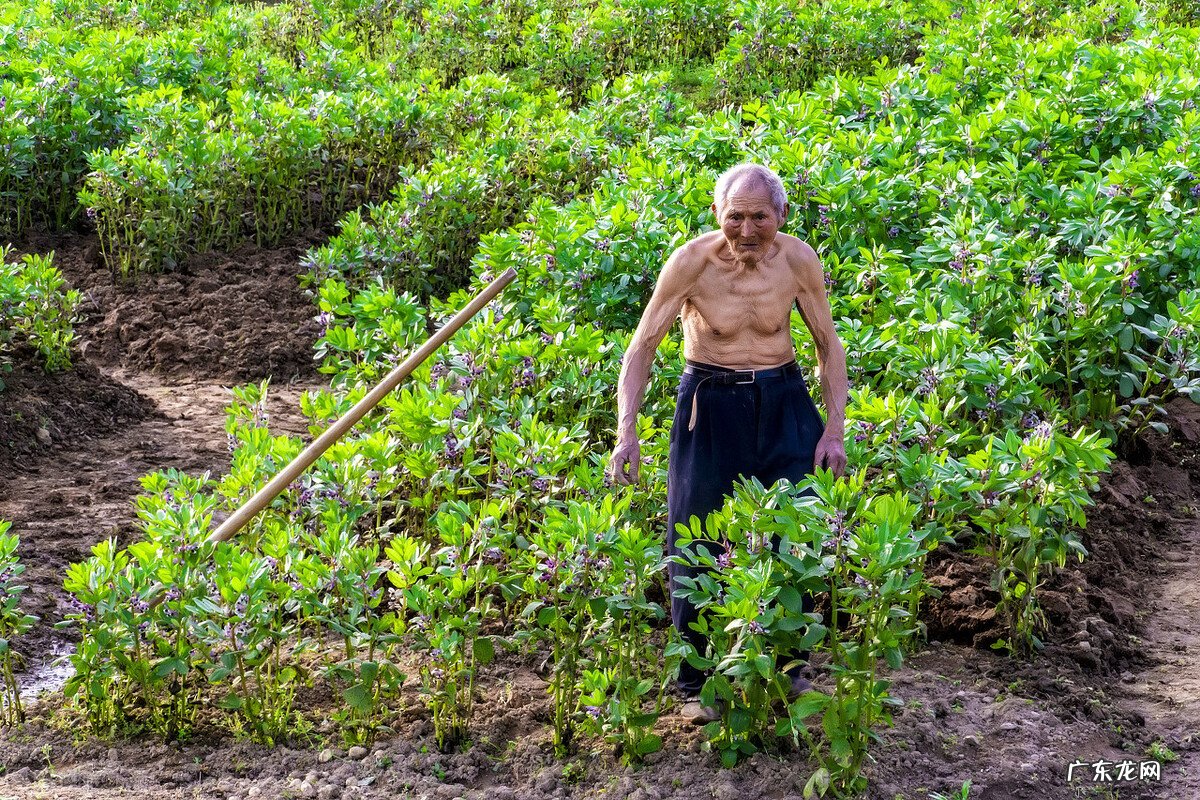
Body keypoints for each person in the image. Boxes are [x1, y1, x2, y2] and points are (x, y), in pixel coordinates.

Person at [607, 162, 848, 723]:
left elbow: (828, 346)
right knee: (695, 532)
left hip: (783, 398)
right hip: (709, 403)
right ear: (717, 215)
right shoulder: (692, 263)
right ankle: (695, 681)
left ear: (780, 216)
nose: (745, 230)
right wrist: (628, 430)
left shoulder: (797, 260)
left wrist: (833, 428)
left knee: (800, 525)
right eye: (734, 216)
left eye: (759, 217)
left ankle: (790, 664)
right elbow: (641, 348)